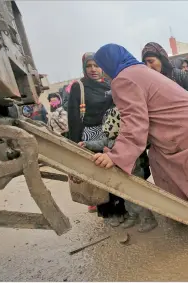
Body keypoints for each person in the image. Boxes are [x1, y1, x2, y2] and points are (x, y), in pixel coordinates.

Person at [92, 43, 188, 255]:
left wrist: (116, 156)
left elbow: (134, 122)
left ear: (108, 63)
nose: (102, 72)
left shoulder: (123, 80)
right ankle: (183, 212)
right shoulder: (139, 70)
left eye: (101, 66)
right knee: (159, 162)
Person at [79, 107, 158, 233]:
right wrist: (87, 144)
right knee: (127, 199)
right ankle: (133, 216)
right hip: (121, 176)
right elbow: (101, 142)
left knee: (138, 200)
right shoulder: (110, 137)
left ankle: (148, 219)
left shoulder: (127, 139)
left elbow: (128, 155)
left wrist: (110, 153)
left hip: (132, 175)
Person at [67, 52, 120, 218]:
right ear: (84, 68)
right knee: (99, 176)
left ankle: (119, 208)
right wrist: (75, 143)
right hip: (90, 134)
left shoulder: (109, 85)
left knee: (115, 172)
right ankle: (106, 213)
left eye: (96, 65)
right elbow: (74, 117)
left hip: (111, 133)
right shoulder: (79, 87)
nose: (93, 69)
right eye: (89, 66)